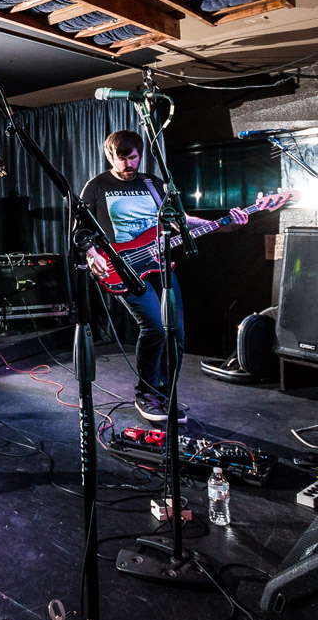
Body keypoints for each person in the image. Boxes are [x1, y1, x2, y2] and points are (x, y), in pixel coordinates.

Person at [80, 129, 248, 424]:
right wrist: (92, 254)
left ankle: (165, 392)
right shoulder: (96, 186)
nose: (128, 164)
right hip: (123, 266)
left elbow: (179, 221)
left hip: (159, 265)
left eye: (133, 157)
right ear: (110, 156)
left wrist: (221, 225)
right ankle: (145, 392)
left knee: (176, 333)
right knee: (155, 328)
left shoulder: (153, 184)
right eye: (122, 158)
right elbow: (80, 231)